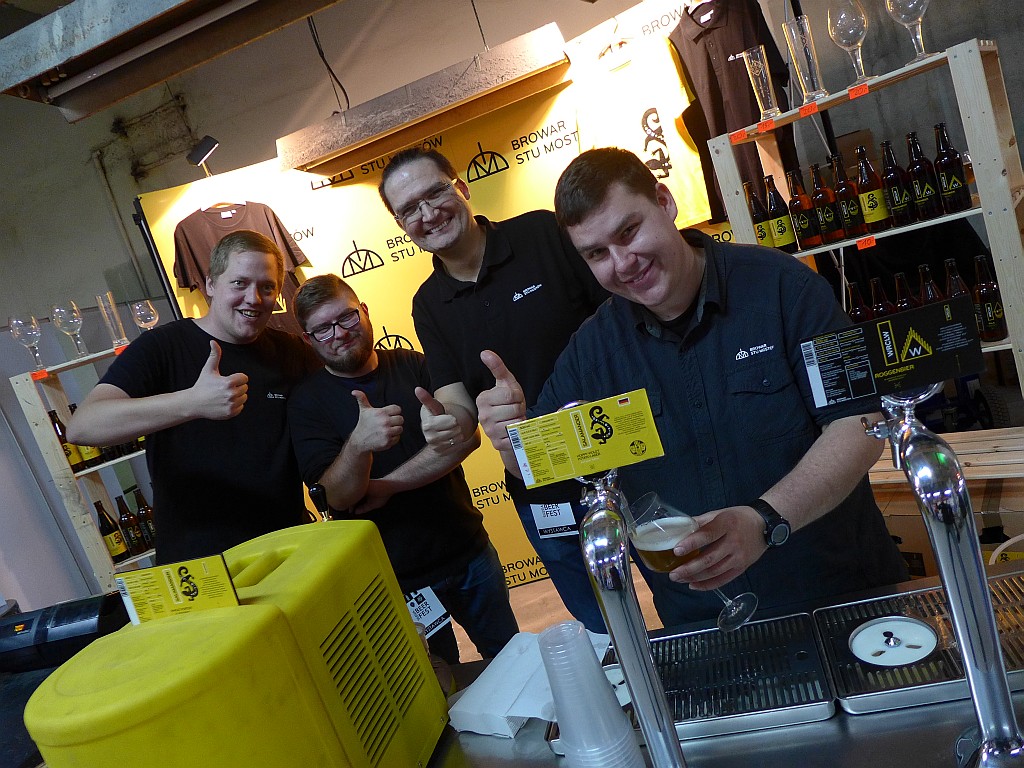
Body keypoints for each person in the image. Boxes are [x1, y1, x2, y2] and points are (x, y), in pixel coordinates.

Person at [476, 147, 908, 627]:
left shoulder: (784, 286)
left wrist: (765, 520)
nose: (622, 263)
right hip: (702, 622)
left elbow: (859, 422)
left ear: (665, 202)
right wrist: (511, 442)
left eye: (628, 231)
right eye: (597, 253)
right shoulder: (591, 352)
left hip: (844, 596)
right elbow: (543, 469)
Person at [378, 148, 610, 631]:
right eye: (409, 209)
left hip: (620, 451)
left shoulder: (543, 233)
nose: (428, 214)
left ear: (461, 188)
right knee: (598, 625)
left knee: (682, 589)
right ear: (400, 225)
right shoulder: (428, 303)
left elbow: (621, 320)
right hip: (537, 482)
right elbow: (457, 403)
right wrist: (447, 424)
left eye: (435, 193)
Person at [287, 274, 518, 663]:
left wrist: (388, 485)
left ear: (364, 311)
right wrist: (359, 444)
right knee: (437, 682)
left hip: (468, 552)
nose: (339, 334)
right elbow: (337, 497)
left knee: (514, 658)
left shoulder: (415, 365)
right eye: (322, 329)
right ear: (308, 340)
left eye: (346, 317)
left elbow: (466, 440)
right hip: (394, 580)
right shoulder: (306, 403)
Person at [68, 230, 321, 565]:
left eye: (266, 287)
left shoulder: (291, 351)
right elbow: (83, 427)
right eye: (239, 283)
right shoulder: (163, 347)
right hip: (200, 565)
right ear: (211, 285)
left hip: (288, 550)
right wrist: (192, 403)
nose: (253, 298)